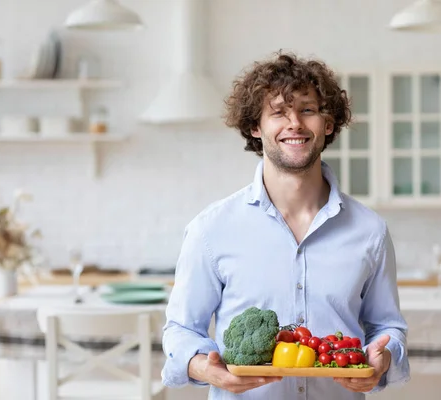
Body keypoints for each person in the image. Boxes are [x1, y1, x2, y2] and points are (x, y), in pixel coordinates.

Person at [161, 52, 410, 399]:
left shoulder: (370, 232)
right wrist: (206, 368)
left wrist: (382, 360)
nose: (294, 123)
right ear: (255, 126)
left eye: (307, 109)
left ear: (328, 124)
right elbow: (180, 331)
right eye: (278, 112)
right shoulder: (211, 231)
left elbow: (387, 328)